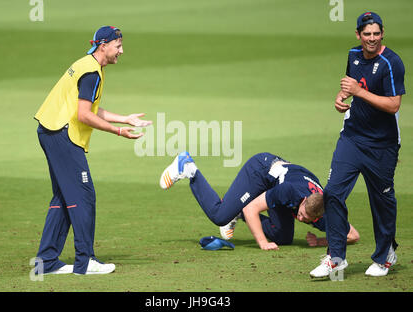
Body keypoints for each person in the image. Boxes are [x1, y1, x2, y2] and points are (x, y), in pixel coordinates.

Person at [34, 26, 152, 275]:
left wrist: (124, 119)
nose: (121, 50)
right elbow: (84, 115)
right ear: (103, 46)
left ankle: (47, 262)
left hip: (50, 131)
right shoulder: (91, 73)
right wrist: (118, 132)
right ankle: (85, 261)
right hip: (62, 134)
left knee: (65, 197)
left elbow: (87, 107)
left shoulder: (86, 64)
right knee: (84, 195)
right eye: (118, 46)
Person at [310, 12, 405, 278]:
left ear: (383, 33)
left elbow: (393, 104)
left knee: (381, 200)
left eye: (376, 34)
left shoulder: (391, 62)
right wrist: (341, 99)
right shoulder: (353, 55)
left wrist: (358, 92)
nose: (372, 39)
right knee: (333, 193)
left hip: (382, 145)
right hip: (351, 138)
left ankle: (385, 254)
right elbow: (352, 87)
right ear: (358, 35)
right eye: (367, 34)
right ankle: (336, 258)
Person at [159, 152, 359, 250]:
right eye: (301, 213)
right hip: (260, 172)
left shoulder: (325, 212)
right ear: (304, 200)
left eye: (306, 219)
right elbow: (253, 209)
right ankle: (188, 167)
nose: (300, 218)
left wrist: (320, 241)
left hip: (278, 183)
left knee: (283, 238)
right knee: (220, 216)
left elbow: (353, 235)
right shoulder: (290, 192)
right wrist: (262, 243)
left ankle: (236, 212)